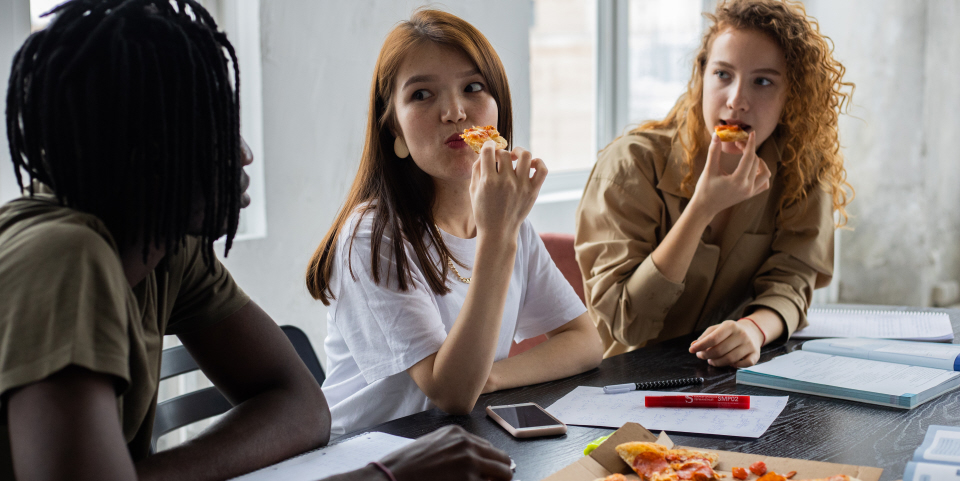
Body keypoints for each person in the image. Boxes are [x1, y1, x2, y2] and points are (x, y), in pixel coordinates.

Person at [0, 1, 511, 480]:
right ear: (145, 151)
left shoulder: (167, 245)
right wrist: (383, 474)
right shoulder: (62, 255)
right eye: (212, 130)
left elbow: (300, 406)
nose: (242, 153)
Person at [306, 9, 604, 437]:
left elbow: (584, 342)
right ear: (395, 130)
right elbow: (450, 392)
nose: (455, 111)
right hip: (370, 454)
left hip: (459, 443)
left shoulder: (506, 219)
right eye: (423, 95)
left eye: (473, 87)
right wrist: (499, 235)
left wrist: (493, 376)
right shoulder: (372, 236)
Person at [575, 0, 854, 366]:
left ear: (791, 97)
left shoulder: (801, 168)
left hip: (733, 375)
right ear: (701, 76)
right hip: (630, 381)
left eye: (763, 81)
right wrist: (702, 208)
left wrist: (753, 330)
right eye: (723, 75)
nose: (737, 100)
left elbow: (792, 281)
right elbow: (628, 324)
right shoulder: (630, 166)